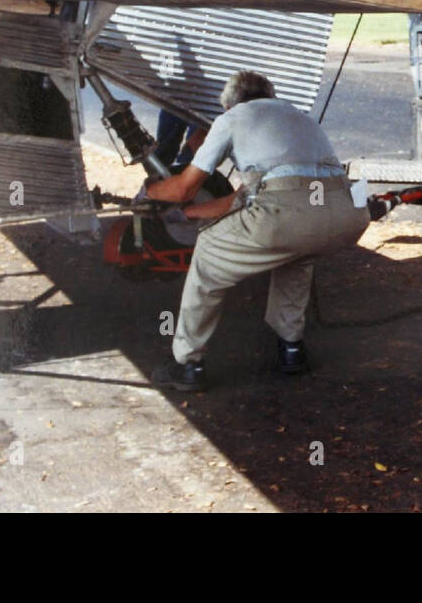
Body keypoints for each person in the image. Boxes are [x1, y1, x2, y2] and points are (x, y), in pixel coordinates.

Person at [145, 70, 369, 391]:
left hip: (289, 211)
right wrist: (192, 212)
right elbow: (245, 197)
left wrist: (151, 192)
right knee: (298, 252)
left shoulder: (232, 118)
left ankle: (187, 363)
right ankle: (291, 349)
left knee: (209, 250)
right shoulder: (298, 117)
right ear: (270, 95)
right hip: (347, 213)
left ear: (228, 105)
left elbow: (182, 188)